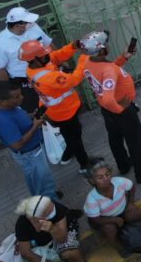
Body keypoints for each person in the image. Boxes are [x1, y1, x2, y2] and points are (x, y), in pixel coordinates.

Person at [81, 31, 141, 184]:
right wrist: (120, 109)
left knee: (115, 139)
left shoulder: (87, 61)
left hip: (106, 111)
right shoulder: (108, 70)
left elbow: (109, 73)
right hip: (122, 111)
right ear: (101, 50)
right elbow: (108, 95)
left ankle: (124, 166)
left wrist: (124, 57)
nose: (108, 47)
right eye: (106, 45)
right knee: (136, 141)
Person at [20, 40, 91, 173]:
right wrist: (84, 57)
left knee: (71, 134)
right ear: (35, 59)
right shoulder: (47, 77)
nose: (47, 56)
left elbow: (57, 56)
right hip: (64, 113)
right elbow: (74, 79)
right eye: (43, 55)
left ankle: (69, 153)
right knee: (75, 137)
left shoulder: (34, 67)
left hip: (61, 110)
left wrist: (72, 46)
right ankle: (85, 165)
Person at [0, 81, 57, 199]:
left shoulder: (4, 106)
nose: (21, 98)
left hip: (31, 152)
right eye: (16, 97)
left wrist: (31, 116)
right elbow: (17, 145)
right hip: (30, 154)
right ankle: (54, 208)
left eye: (20, 94)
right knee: (44, 183)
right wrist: (35, 126)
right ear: (3, 101)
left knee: (35, 181)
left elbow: (18, 119)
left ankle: (44, 199)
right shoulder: (4, 121)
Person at [83, 158, 141, 256]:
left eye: (107, 174)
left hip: (122, 210)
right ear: (92, 181)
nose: (105, 179)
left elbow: (131, 187)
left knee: (134, 211)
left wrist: (130, 203)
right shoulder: (92, 199)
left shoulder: (118, 182)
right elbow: (96, 219)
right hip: (106, 219)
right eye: (100, 178)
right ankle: (119, 246)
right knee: (109, 228)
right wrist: (114, 220)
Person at [0, 7, 53, 113]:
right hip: (26, 83)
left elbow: (48, 44)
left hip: (48, 71)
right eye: (28, 22)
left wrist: (60, 62)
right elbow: (1, 70)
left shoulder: (33, 27)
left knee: (56, 100)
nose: (32, 23)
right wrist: (10, 92)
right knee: (37, 109)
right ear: (18, 25)